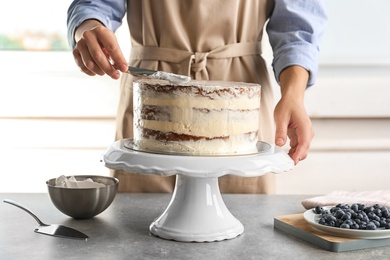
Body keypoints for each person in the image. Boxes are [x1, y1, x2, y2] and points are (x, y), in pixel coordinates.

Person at [67, 0, 327, 193]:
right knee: (139, 228)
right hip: (153, 89)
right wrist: (88, 28)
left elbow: (296, 32)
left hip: (238, 97)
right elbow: (93, 6)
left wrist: (293, 95)